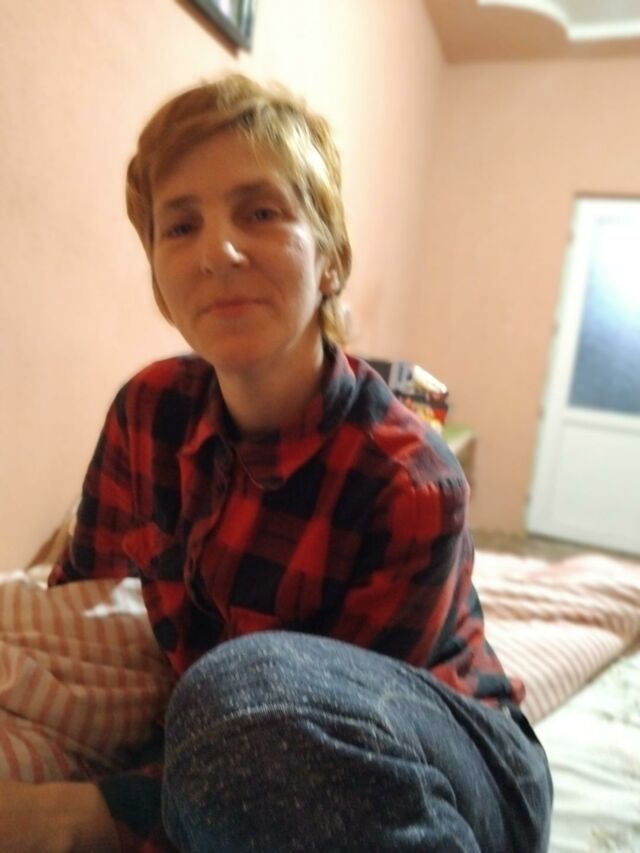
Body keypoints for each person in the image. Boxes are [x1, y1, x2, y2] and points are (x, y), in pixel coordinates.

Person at [0, 73, 552, 852]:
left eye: (260, 212)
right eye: (179, 226)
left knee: (239, 697)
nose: (217, 252)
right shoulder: (146, 413)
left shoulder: (410, 480)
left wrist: (81, 814)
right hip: (240, 747)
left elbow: (313, 743)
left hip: (454, 766)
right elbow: (79, 624)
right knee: (220, 710)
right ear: (159, 279)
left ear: (330, 260)